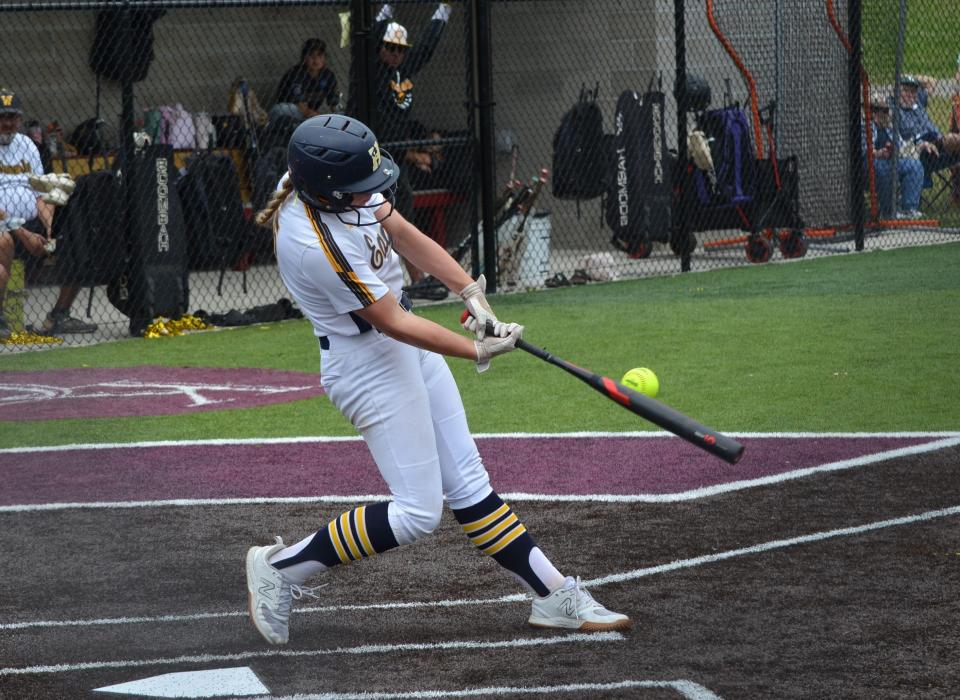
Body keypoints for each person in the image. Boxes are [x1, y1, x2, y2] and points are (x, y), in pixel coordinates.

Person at [246, 114, 631, 645]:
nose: (372, 197)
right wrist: (477, 347)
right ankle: (282, 568)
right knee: (418, 513)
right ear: (328, 193)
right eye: (360, 192)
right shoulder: (313, 245)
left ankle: (554, 594)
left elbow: (400, 231)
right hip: (366, 365)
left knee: (470, 485)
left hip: (400, 347)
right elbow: (394, 322)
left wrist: (469, 291)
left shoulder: (334, 191)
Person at [349, 3, 452, 293]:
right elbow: (364, 44)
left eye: (400, 49)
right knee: (371, 214)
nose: (396, 54)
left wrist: (443, 11)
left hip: (396, 157)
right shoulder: (369, 72)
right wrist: (384, 10)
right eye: (390, 48)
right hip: (370, 157)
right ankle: (371, 276)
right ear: (379, 47)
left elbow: (426, 47)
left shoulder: (403, 69)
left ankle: (416, 280)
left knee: (401, 212)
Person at [0, 87, 96, 340]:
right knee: (4, 240)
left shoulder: (26, 144)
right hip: (5, 224)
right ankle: (0, 317)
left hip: (33, 220)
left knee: (75, 234)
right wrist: (23, 234)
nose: (8, 123)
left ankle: (59, 314)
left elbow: (40, 192)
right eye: (2, 117)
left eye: (12, 117)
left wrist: (52, 228)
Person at [864, 95, 924, 219]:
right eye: (876, 110)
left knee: (914, 165)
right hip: (869, 164)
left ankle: (909, 209)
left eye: (885, 110)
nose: (882, 114)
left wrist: (917, 146)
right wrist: (878, 153)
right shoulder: (865, 126)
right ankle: (889, 211)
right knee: (881, 168)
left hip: (890, 161)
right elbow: (863, 150)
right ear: (871, 111)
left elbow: (903, 148)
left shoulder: (890, 128)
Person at [896, 74, 960, 182]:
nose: (909, 95)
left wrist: (911, 77)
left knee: (953, 142)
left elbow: (932, 81)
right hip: (921, 150)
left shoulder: (918, 101)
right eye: (905, 90)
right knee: (952, 139)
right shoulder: (895, 110)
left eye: (912, 91)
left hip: (938, 146)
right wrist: (900, 78)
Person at [270, 38, 341, 124]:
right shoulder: (296, 73)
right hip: (292, 112)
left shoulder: (328, 75)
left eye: (319, 55)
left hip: (311, 114)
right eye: (311, 55)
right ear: (304, 58)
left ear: (324, 58)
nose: (316, 60)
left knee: (341, 111)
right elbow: (301, 106)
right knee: (282, 108)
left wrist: (339, 117)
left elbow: (334, 103)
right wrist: (318, 117)